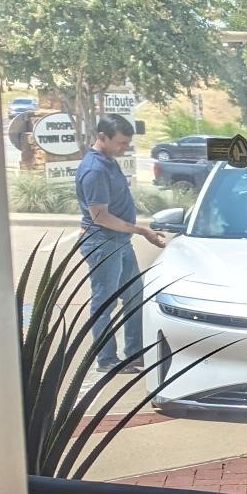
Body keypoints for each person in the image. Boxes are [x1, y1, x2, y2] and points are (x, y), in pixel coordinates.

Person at [74, 114, 167, 372]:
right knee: (105, 302)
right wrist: (141, 230)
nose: (124, 147)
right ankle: (106, 360)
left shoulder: (108, 161)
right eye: (121, 142)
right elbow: (100, 216)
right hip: (102, 243)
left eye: (127, 142)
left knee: (134, 296)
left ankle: (134, 353)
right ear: (102, 137)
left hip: (119, 242)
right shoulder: (95, 170)